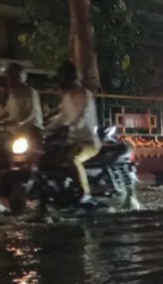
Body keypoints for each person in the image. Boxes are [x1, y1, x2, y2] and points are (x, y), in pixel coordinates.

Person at [46, 61, 100, 205]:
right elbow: (62, 118)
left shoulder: (84, 94)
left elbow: (82, 117)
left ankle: (85, 193)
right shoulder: (67, 96)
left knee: (73, 159)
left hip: (87, 141)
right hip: (69, 141)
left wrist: (67, 128)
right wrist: (45, 130)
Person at [0, 63, 43, 140]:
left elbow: (31, 113)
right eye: (7, 78)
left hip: (31, 132)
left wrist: (19, 123)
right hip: (15, 132)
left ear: (19, 78)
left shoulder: (29, 92)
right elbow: (7, 112)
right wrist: (1, 120)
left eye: (11, 78)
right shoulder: (11, 94)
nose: (8, 81)